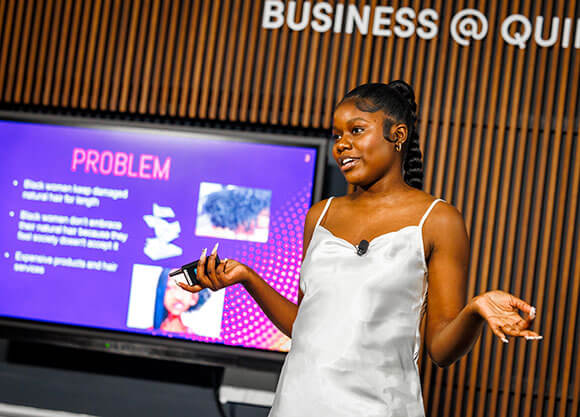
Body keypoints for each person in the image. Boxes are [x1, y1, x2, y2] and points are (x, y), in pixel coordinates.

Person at [176, 81, 543, 416]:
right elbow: (307, 325)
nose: (342, 144)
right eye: (337, 134)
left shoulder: (438, 219)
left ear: (397, 135)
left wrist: (475, 310)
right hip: (296, 404)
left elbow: (441, 351)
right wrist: (247, 277)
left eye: (356, 130)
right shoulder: (320, 215)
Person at [153, 267, 210, 334]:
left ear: (194, 297)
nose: (178, 297)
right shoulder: (149, 332)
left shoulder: (193, 337)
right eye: (171, 288)